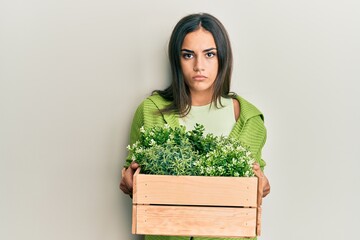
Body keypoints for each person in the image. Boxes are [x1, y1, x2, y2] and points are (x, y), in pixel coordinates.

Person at [120, 13, 270, 240]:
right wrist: (131, 181)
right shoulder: (151, 111)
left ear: (223, 58)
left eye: (209, 54)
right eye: (188, 55)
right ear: (176, 60)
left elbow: (253, 187)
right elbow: (133, 176)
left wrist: (261, 186)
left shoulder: (248, 119)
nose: (199, 66)